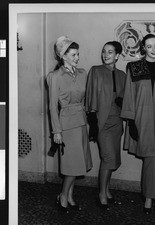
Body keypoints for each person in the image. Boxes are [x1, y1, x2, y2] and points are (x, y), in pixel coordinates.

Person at [121, 34, 155, 214]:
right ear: (143, 48)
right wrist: (131, 121)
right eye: (149, 46)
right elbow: (128, 95)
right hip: (141, 121)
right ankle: (150, 198)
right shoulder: (133, 68)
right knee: (151, 157)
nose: (153, 49)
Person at [47, 36, 93, 213]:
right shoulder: (55, 76)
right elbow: (52, 106)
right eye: (73, 55)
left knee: (77, 164)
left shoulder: (82, 73)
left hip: (81, 122)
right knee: (71, 165)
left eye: (78, 54)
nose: (77, 58)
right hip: (66, 125)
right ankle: (63, 196)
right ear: (63, 56)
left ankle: (70, 195)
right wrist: (56, 131)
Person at [85, 41, 126, 210]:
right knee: (108, 158)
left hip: (117, 122)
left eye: (110, 52)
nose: (106, 54)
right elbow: (90, 96)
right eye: (104, 51)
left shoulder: (123, 75)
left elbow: (125, 100)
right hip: (102, 122)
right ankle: (102, 194)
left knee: (113, 159)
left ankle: (107, 190)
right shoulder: (96, 71)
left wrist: (121, 102)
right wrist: (93, 122)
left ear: (117, 55)